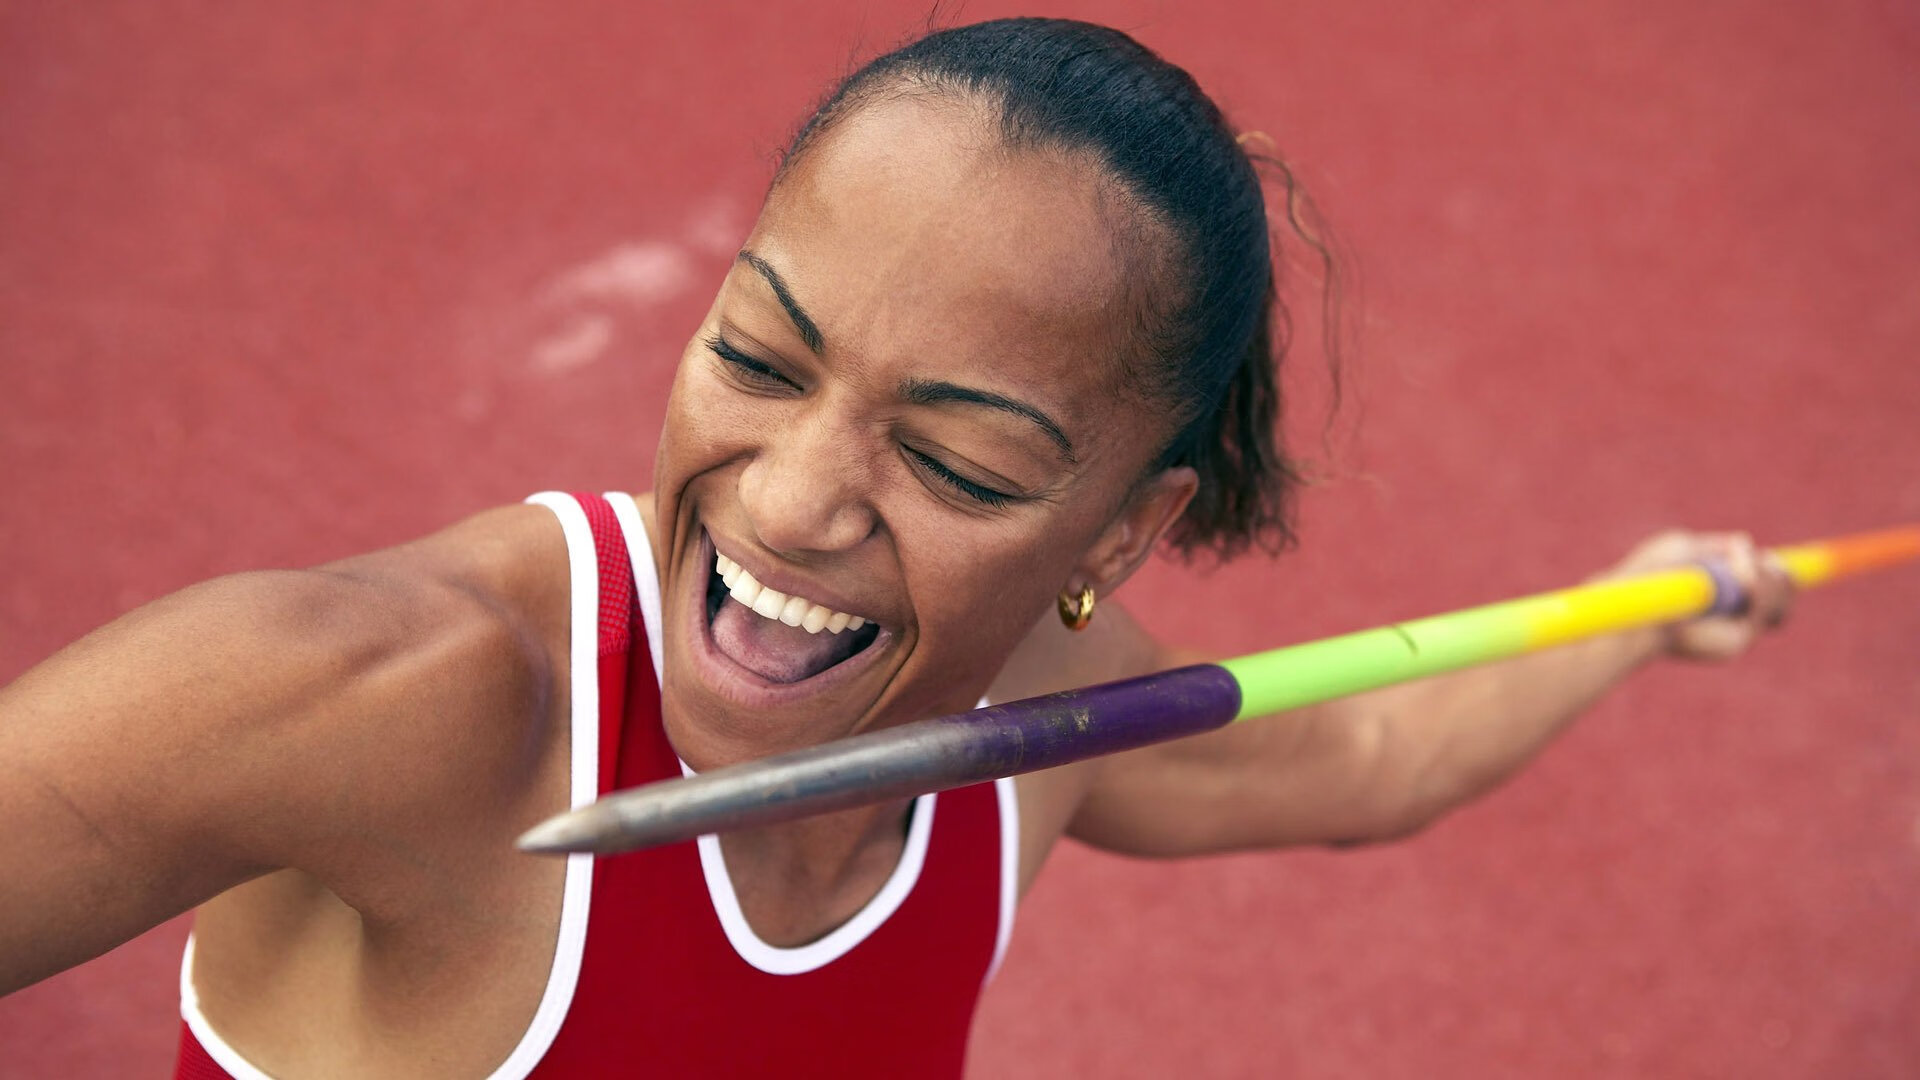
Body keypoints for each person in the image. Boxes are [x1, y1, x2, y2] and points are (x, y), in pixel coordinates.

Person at [0, 17, 1791, 1079]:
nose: (786, 502)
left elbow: (1375, 752)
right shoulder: (388, 700)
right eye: (758, 362)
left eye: (955, 459)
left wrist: (1643, 608)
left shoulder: (1057, 721)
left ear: (1129, 527)